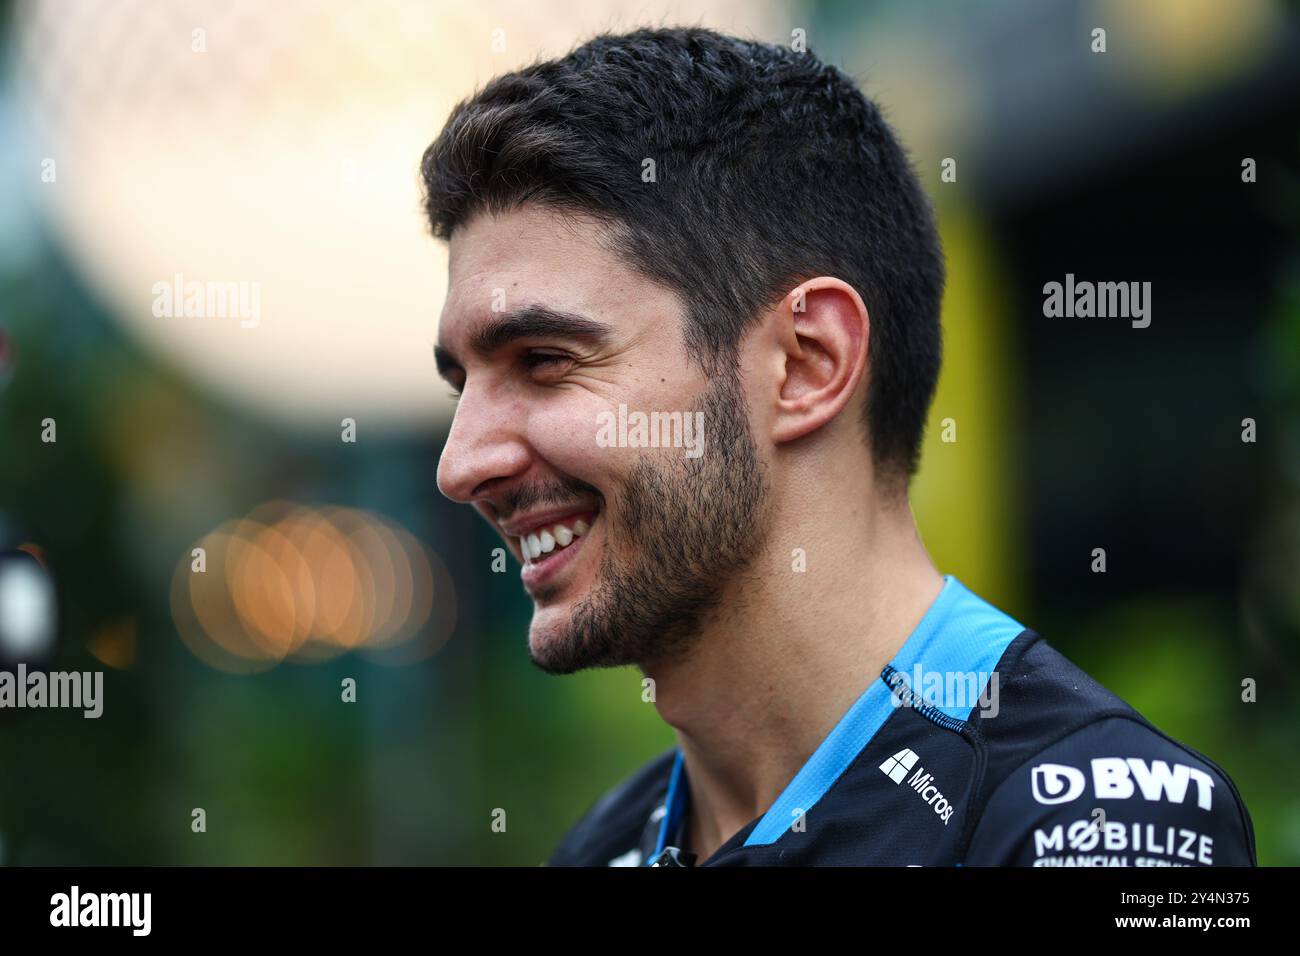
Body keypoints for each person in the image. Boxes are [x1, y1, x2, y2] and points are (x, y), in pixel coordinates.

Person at [421, 26, 1255, 866]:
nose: (461, 467)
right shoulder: (603, 847)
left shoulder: (1101, 832)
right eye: (464, 385)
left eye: (544, 361)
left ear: (807, 362)